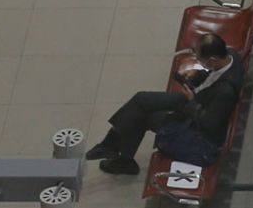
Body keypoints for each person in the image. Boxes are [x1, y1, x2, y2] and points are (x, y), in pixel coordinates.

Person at [85, 32, 243, 175]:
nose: (196, 60)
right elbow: (213, 77)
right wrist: (200, 74)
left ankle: (119, 155)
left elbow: (210, 124)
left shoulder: (226, 92)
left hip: (199, 132)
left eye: (199, 58)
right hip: (199, 99)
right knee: (141, 100)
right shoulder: (230, 56)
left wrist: (191, 103)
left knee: (143, 117)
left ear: (213, 60)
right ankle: (112, 146)